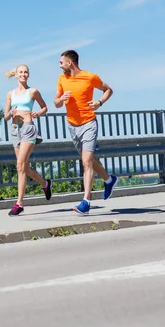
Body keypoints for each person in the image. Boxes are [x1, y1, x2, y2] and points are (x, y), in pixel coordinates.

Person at [53, 49, 119, 215]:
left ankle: (86, 202)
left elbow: (108, 90)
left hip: (89, 123)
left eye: (62, 62)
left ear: (70, 63)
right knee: (87, 160)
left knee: (86, 162)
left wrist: (99, 102)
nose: (60, 66)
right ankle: (109, 180)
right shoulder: (62, 79)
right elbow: (56, 103)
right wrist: (61, 99)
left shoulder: (90, 77)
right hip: (72, 125)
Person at [4, 64, 52, 216]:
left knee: (19, 165)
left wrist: (38, 113)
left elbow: (45, 107)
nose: (23, 74)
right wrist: (11, 113)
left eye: (26, 72)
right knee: (24, 168)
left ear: (28, 75)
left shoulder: (33, 91)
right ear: (16, 75)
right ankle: (45, 184)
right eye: (21, 72)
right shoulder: (10, 94)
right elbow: (5, 117)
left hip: (28, 129)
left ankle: (19, 204)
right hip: (14, 130)